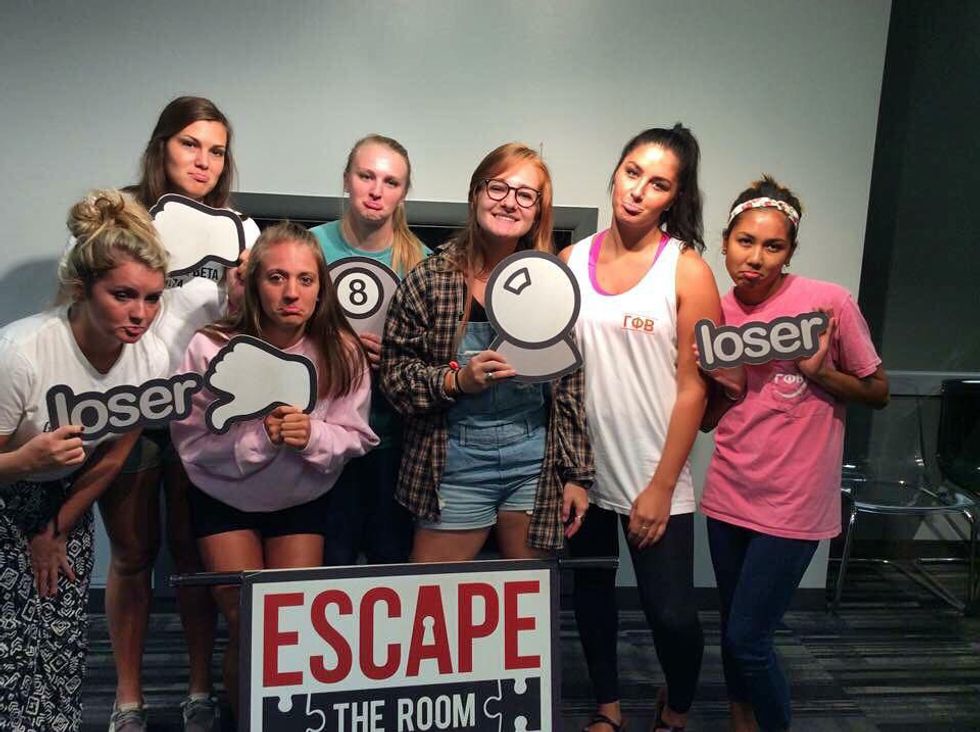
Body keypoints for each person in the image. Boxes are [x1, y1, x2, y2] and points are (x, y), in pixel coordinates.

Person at [698, 176, 887, 731]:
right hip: (730, 493)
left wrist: (821, 373)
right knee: (732, 625)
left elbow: (879, 392)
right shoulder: (715, 313)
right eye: (745, 241)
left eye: (772, 246)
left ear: (790, 251)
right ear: (725, 242)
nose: (755, 258)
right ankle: (741, 722)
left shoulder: (829, 303)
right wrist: (724, 386)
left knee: (748, 638)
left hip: (795, 503)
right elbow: (708, 419)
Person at [170, 222, 377, 719]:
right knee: (245, 619)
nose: (291, 293)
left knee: (289, 624)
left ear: (321, 287)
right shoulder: (209, 346)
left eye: (305, 280)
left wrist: (314, 435)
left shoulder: (341, 350)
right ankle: (244, 717)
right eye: (277, 277)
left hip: (301, 500)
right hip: (223, 499)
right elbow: (191, 442)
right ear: (253, 282)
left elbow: (356, 436)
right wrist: (261, 438)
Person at [104, 95, 259, 732]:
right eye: (190, 144)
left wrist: (245, 299)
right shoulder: (118, 217)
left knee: (194, 556)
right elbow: (86, 305)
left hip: (203, 412)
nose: (203, 161)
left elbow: (251, 328)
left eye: (216, 150)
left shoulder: (242, 231)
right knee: (132, 553)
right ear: (162, 146)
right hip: (129, 409)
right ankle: (128, 697)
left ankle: (198, 689)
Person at [561, 125, 720, 732]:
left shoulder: (687, 270)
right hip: (583, 473)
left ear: (673, 198)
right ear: (616, 172)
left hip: (655, 474)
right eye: (632, 172)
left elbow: (695, 387)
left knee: (672, 614)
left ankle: (675, 709)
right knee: (592, 599)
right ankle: (607, 709)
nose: (637, 191)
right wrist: (569, 471)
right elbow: (559, 374)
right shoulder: (571, 262)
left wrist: (660, 486)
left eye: (657, 184)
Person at [0, 190, 174, 731]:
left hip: (64, 494)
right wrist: (24, 461)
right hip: (8, 484)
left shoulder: (151, 358)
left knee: (58, 636)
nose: (140, 313)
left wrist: (56, 527)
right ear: (82, 288)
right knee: (10, 643)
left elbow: (115, 452)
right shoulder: (22, 353)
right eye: (123, 295)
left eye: (152, 298)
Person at [379, 143, 592, 562]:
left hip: (531, 464)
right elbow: (394, 377)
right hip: (453, 464)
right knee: (434, 595)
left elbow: (568, 386)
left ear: (537, 211)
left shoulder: (549, 285)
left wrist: (576, 476)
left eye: (525, 195)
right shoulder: (431, 279)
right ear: (476, 193)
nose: (510, 202)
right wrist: (455, 381)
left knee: (526, 594)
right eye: (498, 188)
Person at [310, 134, 430, 565]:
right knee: (327, 568)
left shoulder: (422, 262)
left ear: (403, 193)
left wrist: (397, 359)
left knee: (390, 566)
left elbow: (437, 358)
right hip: (318, 438)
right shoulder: (306, 248)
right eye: (366, 176)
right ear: (347, 179)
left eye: (390, 182)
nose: (376, 191)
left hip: (392, 440)